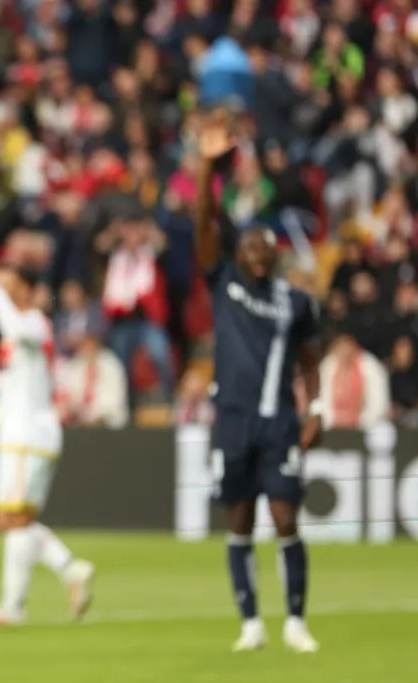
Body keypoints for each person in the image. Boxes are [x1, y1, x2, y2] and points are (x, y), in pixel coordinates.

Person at [195, 109, 323, 653]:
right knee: (240, 520)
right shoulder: (223, 281)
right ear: (239, 253)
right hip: (233, 419)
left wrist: (318, 409)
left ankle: (295, 619)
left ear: (275, 255)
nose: (257, 253)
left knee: (286, 515)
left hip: (280, 422)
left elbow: (311, 359)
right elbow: (204, 223)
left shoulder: (296, 303)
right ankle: (250, 621)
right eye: (249, 247)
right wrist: (208, 169)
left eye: (265, 248)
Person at [0, 267, 95, 628]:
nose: (0, 282)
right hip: (20, 435)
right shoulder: (23, 332)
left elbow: (12, 327)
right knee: (13, 520)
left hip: (27, 436)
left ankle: (22, 602)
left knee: (14, 519)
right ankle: (65, 572)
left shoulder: (33, 322)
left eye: (7, 278)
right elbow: (11, 380)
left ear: (24, 290)